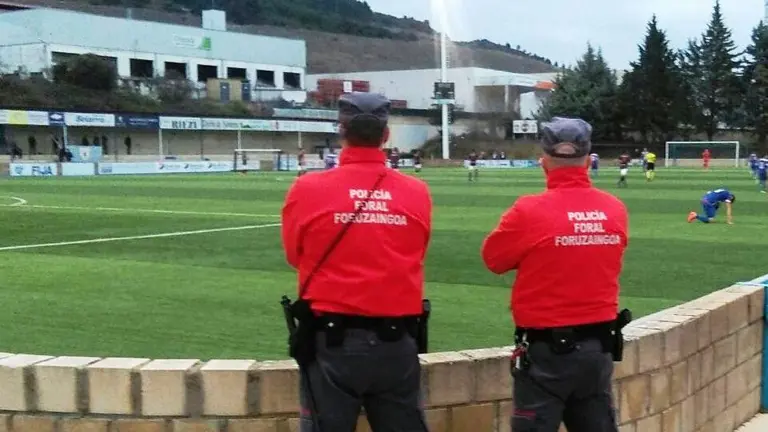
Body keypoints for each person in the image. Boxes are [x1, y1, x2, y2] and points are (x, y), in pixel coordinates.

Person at [281, 92, 432, 432]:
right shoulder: (416, 191)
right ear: (386, 135)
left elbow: (295, 256)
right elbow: (416, 252)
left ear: (342, 130)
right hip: (397, 343)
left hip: (331, 342)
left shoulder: (307, 188)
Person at [481, 117, 629, 432]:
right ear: (589, 161)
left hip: (547, 352)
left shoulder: (529, 210)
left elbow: (493, 259)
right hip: (597, 350)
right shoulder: (614, 209)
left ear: (544, 161)